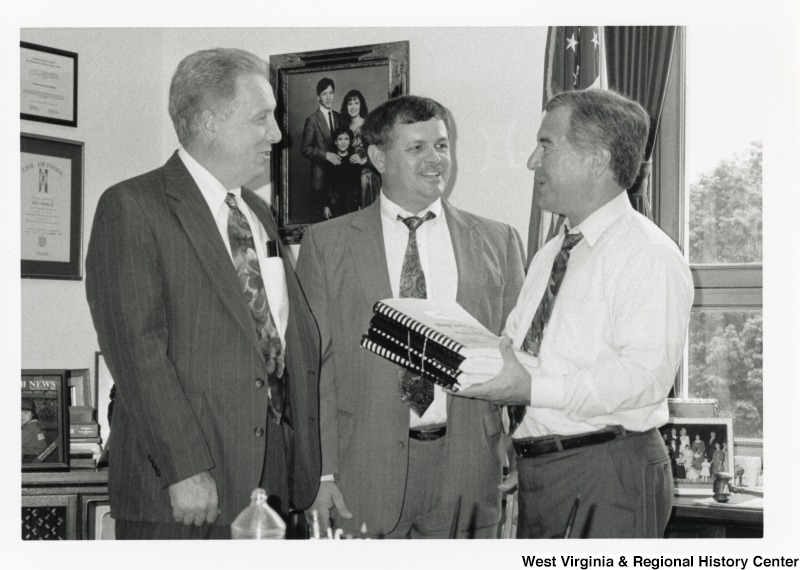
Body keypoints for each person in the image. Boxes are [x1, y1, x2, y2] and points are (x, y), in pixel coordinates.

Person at [85, 48, 321, 540]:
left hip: (270, 482)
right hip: (186, 489)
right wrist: (183, 467)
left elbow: (280, 336)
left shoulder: (257, 213)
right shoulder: (133, 207)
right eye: (262, 118)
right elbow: (136, 353)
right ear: (211, 122)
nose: (278, 135)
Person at [453, 89, 694, 538]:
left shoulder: (648, 254)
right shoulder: (553, 252)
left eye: (546, 145)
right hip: (544, 470)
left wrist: (531, 388)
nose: (531, 161)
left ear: (596, 160)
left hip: (607, 472)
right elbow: (525, 353)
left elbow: (643, 378)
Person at [296, 95, 525, 539]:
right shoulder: (326, 244)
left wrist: (520, 445)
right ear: (379, 157)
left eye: (442, 145)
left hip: (469, 472)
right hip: (361, 474)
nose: (435, 159)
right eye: (416, 148)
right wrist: (321, 474)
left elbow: (516, 356)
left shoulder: (499, 241)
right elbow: (315, 370)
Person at [301, 77, 341, 221]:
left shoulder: (339, 117)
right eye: (324, 94)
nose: (328, 97)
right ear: (318, 97)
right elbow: (305, 149)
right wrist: (325, 155)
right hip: (320, 179)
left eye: (331, 93)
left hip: (337, 177)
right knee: (320, 222)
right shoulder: (312, 120)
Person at [339, 89, 381, 208]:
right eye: (350, 103)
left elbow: (378, 152)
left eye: (356, 103)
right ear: (346, 107)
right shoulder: (344, 127)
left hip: (365, 176)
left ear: (361, 105)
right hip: (349, 177)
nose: (353, 107)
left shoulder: (368, 125)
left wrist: (363, 160)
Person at [325, 126, 361, 218]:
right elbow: (327, 184)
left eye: (346, 139)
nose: (343, 142)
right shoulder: (331, 160)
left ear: (350, 142)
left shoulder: (354, 159)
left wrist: (359, 204)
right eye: (340, 139)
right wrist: (326, 205)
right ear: (335, 142)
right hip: (335, 201)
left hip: (351, 202)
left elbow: (358, 184)